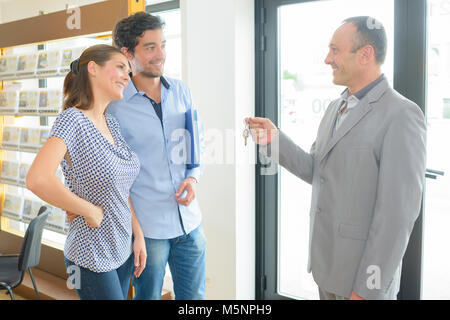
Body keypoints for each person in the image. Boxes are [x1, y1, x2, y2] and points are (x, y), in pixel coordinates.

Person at [246, 16, 426, 300]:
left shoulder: (401, 114)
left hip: (362, 280)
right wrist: (275, 140)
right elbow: (315, 169)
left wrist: (367, 289)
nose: (327, 59)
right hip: (327, 269)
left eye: (335, 50)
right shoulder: (335, 108)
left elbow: (397, 216)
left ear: (365, 54)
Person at [73, 12, 206, 300]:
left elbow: (196, 144)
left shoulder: (182, 91)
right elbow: (104, 170)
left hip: (190, 223)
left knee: (194, 300)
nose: (161, 55)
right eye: (150, 47)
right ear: (127, 53)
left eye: (163, 45)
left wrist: (193, 178)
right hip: (146, 229)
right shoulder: (114, 106)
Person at [26, 44, 147, 300]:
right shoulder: (72, 120)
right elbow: (38, 179)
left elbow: (121, 189)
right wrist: (88, 209)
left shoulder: (111, 123)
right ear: (93, 68)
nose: (128, 76)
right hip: (90, 254)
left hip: (121, 248)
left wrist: (138, 235)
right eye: (120, 67)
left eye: (129, 71)